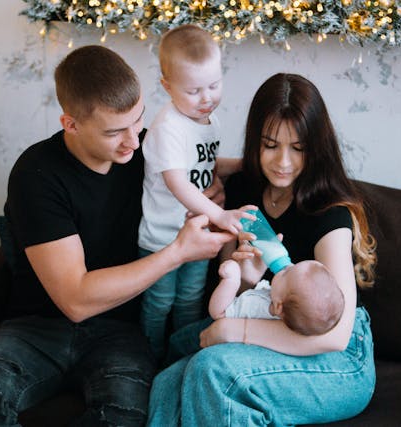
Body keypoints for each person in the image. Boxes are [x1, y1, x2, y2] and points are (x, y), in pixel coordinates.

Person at [0, 45, 236, 426]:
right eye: (115, 132)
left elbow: (200, 167)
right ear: (70, 124)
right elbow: (75, 300)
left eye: (138, 121)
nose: (133, 142)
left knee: (125, 416)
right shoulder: (36, 174)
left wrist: (210, 187)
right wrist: (177, 253)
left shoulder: (150, 149)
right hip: (36, 327)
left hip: (121, 333)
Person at [148, 73, 378, 426]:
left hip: (339, 356)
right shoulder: (242, 192)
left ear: (315, 148)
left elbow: (336, 334)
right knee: (167, 382)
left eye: (298, 148)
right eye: (271, 145)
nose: (283, 162)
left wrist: (234, 334)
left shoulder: (329, 212)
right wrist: (245, 278)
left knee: (214, 369)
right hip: (264, 323)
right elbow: (238, 298)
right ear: (255, 142)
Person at [138, 24, 249, 361]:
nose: (207, 98)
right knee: (159, 302)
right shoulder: (168, 127)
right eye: (194, 90)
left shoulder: (207, 122)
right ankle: (148, 358)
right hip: (164, 238)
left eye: (214, 86)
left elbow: (209, 166)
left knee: (190, 299)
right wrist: (219, 215)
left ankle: (182, 356)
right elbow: (179, 182)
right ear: (167, 86)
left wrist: (249, 164)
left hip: (198, 236)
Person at [209, 259, 344, 337]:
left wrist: (231, 280)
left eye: (286, 273)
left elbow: (219, 313)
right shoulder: (279, 302)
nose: (287, 266)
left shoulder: (257, 307)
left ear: (279, 306)